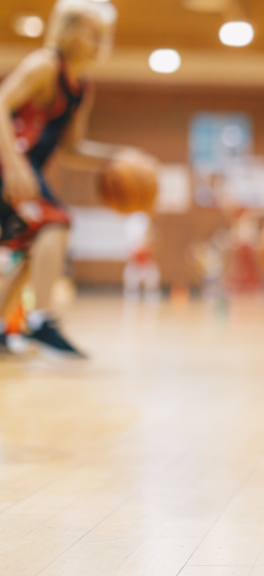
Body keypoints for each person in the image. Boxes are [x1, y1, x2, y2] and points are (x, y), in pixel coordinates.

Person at [0, 0, 147, 357]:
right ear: (68, 30)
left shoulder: (81, 89)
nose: (100, 40)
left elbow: (72, 148)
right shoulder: (44, 65)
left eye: (104, 35)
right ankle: (41, 320)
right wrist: (15, 163)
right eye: (92, 32)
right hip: (8, 159)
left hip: (23, 168)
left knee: (39, 243)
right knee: (56, 222)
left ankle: (6, 326)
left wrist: (119, 155)